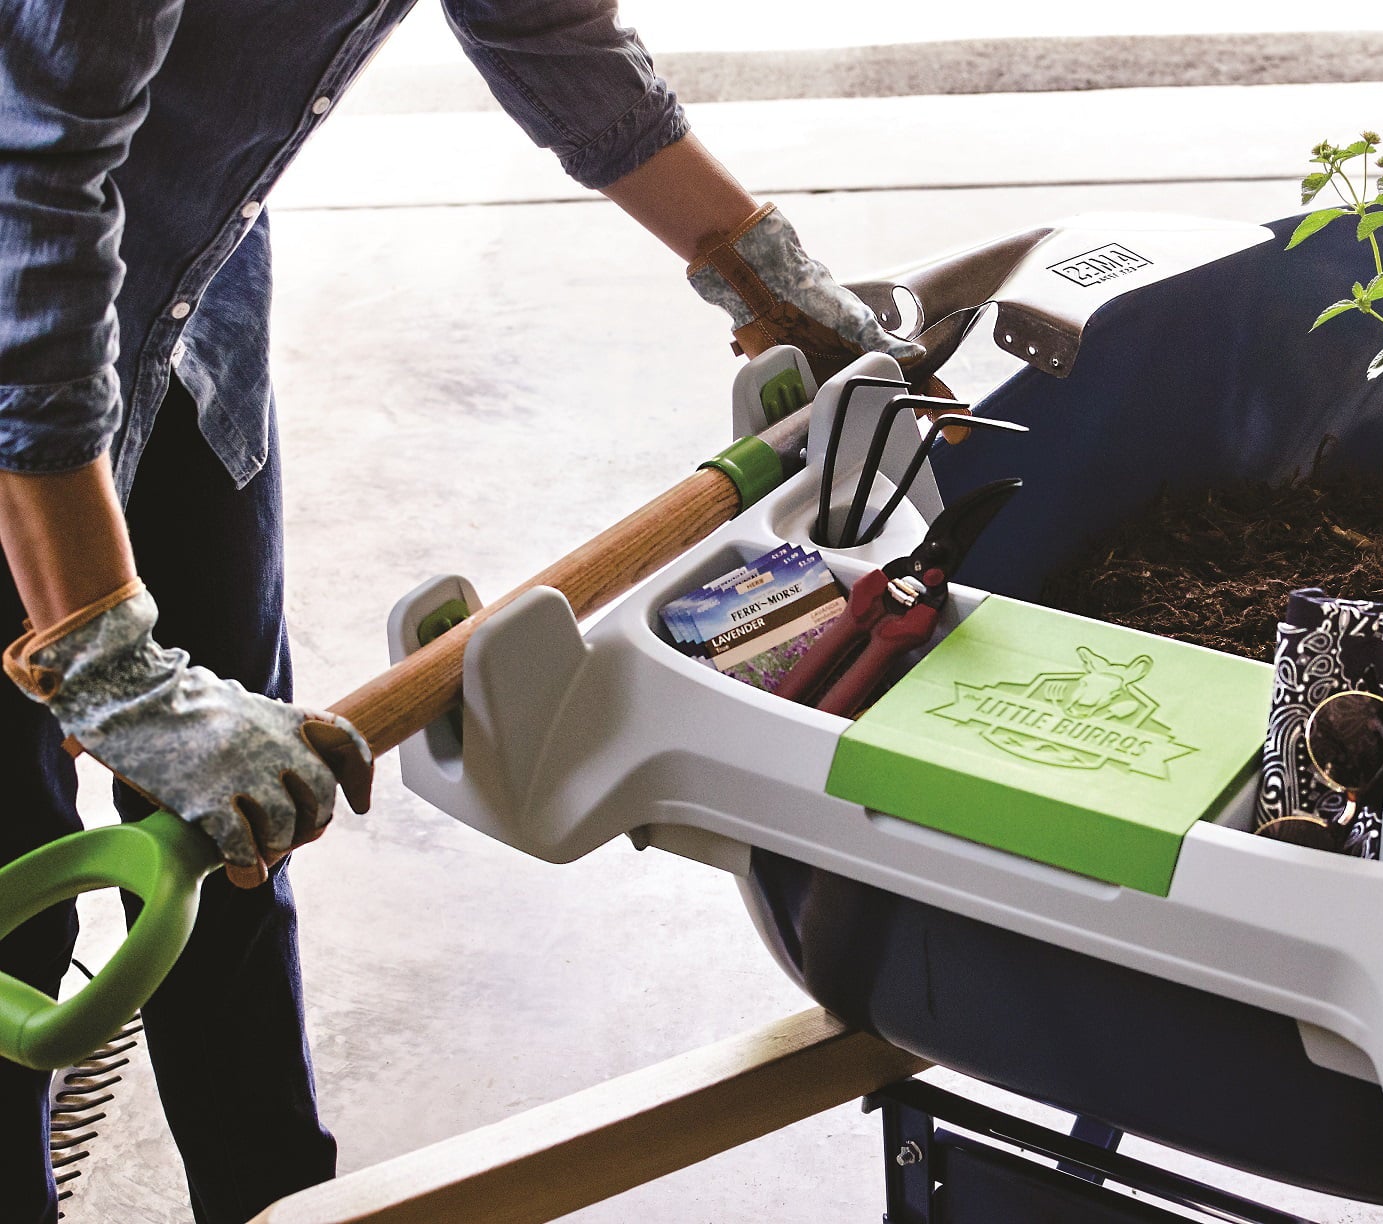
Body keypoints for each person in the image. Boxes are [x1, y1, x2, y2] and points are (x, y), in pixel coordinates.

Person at [0, 2, 920, 1219]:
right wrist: (105, 659)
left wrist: (755, 265)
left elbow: (542, 25)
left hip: (184, 298)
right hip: (26, 314)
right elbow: (31, 204)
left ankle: (276, 1202)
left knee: (239, 819)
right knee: (17, 870)